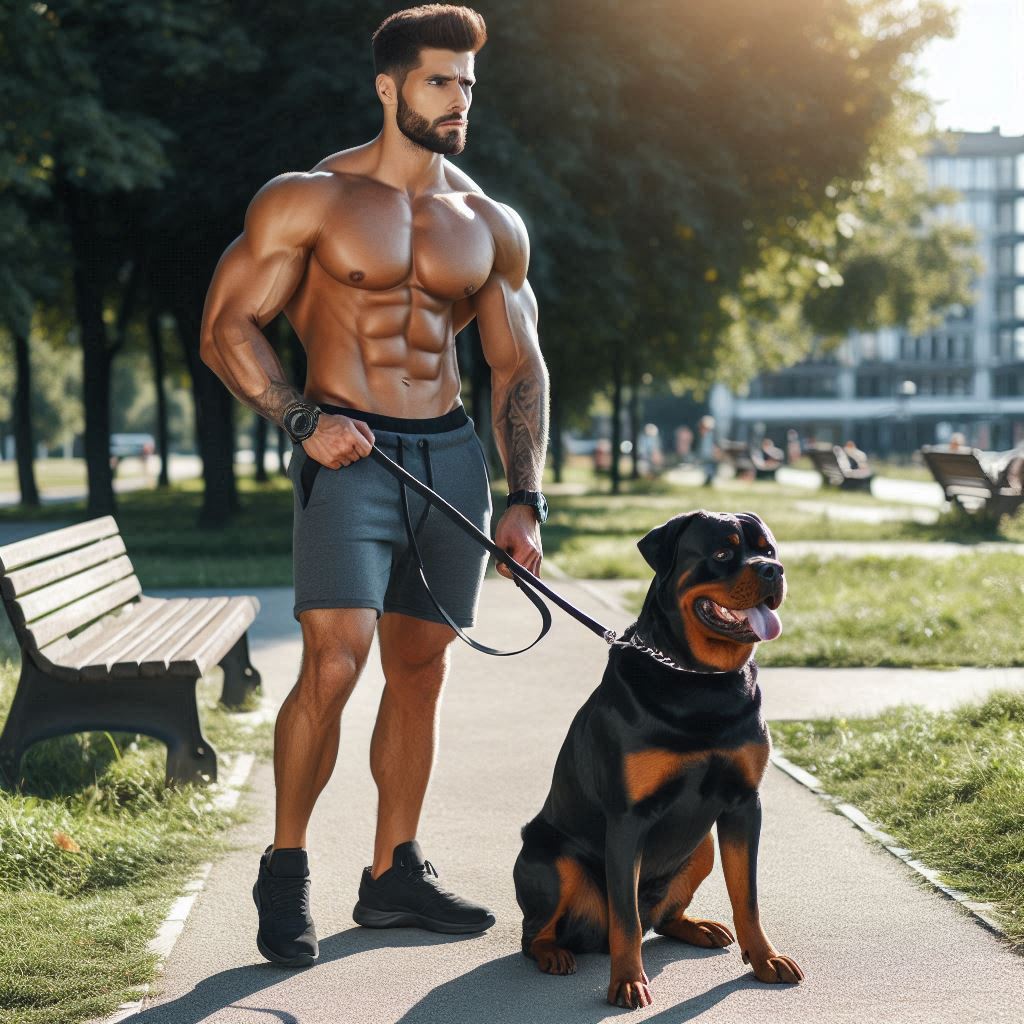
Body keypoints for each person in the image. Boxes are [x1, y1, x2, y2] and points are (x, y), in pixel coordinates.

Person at [200, 4, 549, 967]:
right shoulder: (306, 199)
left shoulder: (486, 222)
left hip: (449, 460)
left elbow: (518, 369)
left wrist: (525, 496)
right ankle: (286, 867)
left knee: (422, 671)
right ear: (390, 87)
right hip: (347, 454)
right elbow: (227, 326)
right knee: (335, 660)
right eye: (441, 81)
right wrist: (302, 421)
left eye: (469, 85)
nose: (459, 100)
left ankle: (394, 873)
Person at [697, 415, 719, 486]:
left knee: (710, 467)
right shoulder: (703, 435)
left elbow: (715, 444)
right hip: (705, 454)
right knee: (706, 467)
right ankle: (707, 479)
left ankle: (709, 479)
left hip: (711, 455)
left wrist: (715, 451)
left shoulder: (713, 435)